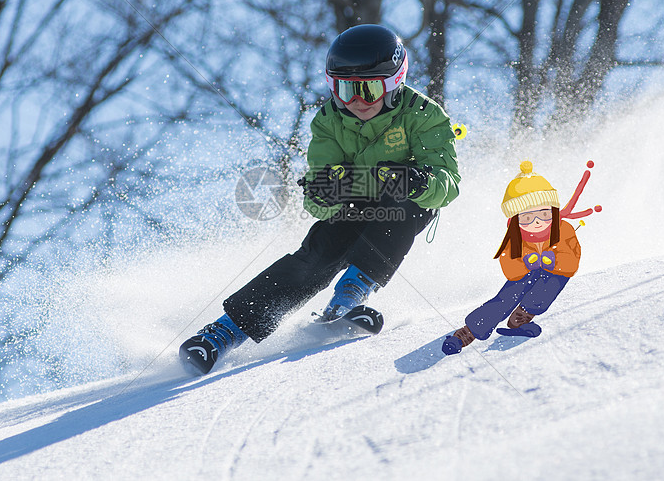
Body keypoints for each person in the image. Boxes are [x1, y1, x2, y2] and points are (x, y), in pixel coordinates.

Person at [180, 24, 461, 374]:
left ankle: (349, 296)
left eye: (368, 89)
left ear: (393, 84)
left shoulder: (424, 115)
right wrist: (323, 194)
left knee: (401, 206)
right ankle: (224, 332)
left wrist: (420, 182)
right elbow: (317, 198)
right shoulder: (329, 121)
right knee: (317, 255)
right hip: (352, 202)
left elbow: (448, 184)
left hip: (402, 201)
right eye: (344, 89)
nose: (355, 101)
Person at [443, 161, 599, 353]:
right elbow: (509, 266)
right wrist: (525, 263)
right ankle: (467, 333)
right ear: (515, 220)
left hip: (553, 274)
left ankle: (521, 318)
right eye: (527, 218)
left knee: (550, 284)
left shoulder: (563, 229)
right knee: (506, 297)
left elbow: (572, 260)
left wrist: (553, 259)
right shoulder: (515, 236)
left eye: (544, 214)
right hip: (525, 275)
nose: (537, 222)